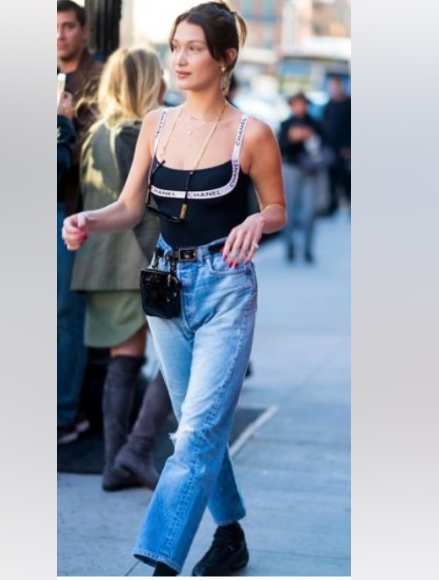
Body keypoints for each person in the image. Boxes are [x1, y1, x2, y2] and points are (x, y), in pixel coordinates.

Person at [62, 2, 286, 576]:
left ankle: (160, 562)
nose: (179, 59)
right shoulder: (157, 124)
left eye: (194, 49)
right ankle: (230, 533)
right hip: (166, 287)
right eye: (176, 46)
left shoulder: (252, 134)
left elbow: (278, 209)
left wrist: (255, 220)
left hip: (226, 289)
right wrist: (88, 220)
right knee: (194, 427)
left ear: (225, 58)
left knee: (197, 432)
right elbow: (130, 206)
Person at [69, 46, 173, 492]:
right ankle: (136, 450)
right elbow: (145, 210)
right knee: (183, 358)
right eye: (160, 74)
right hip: (137, 262)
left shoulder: (97, 132)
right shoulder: (137, 134)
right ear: (148, 82)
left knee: (123, 363)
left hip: (101, 264)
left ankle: (117, 463)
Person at [56, 0, 104, 444]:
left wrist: (65, 122)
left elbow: (98, 148)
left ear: (84, 31)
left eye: (68, 26)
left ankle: (65, 414)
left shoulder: (100, 77)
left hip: (74, 207)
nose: (59, 35)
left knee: (66, 312)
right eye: (54, 27)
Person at [278, 91, 328, 264]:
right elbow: (280, 148)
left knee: (309, 212)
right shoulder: (286, 124)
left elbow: (325, 146)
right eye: (296, 104)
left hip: (310, 171)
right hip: (291, 169)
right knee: (289, 210)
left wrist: (311, 138)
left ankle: (307, 249)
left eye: (302, 104)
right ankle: (289, 247)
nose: (299, 107)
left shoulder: (315, 124)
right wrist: (293, 139)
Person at [321, 74, 351, 217]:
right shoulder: (329, 105)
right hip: (330, 149)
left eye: (336, 85)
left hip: (344, 149)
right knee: (331, 179)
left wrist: (349, 146)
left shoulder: (349, 104)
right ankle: (332, 206)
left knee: (346, 179)